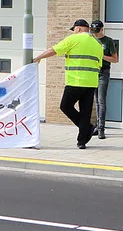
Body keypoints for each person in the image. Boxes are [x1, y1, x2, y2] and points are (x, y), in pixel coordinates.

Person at [33, 19, 103, 149]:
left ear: (78, 28)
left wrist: (39, 57)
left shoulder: (73, 39)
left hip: (75, 81)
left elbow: (54, 50)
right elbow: (99, 64)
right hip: (91, 83)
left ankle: (88, 128)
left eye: (74, 29)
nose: (74, 31)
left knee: (65, 106)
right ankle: (82, 141)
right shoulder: (97, 44)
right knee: (85, 112)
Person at [90, 20, 118, 140]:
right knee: (96, 101)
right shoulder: (91, 40)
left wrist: (101, 56)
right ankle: (97, 126)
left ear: (102, 29)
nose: (95, 33)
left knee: (101, 100)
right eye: (93, 31)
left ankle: (101, 128)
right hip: (92, 71)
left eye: (97, 31)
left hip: (103, 72)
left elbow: (115, 59)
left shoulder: (108, 41)